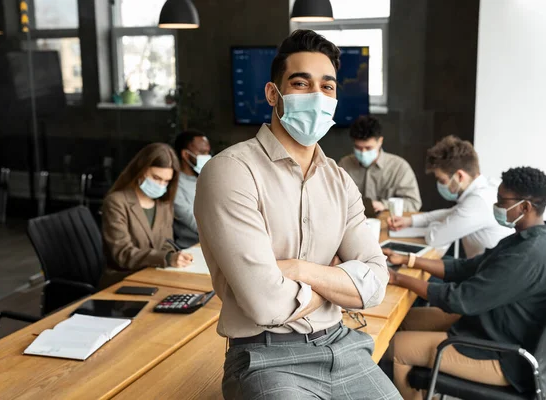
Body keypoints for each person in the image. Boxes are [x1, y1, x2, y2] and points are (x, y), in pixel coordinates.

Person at [195, 30, 401, 400]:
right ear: (274, 94)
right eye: (301, 83)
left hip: (343, 346)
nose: (317, 97)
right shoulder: (231, 171)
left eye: (327, 87)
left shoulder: (340, 180)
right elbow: (266, 304)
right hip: (266, 358)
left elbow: (376, 283)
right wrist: (339, 281)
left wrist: (300, 270)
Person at [383, 166, 546, 399]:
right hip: (489, 326)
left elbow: (459, 299)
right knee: (403, 320)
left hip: (502, 356)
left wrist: (397, 278)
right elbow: (468, 267)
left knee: (395, 347)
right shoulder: (529, 239)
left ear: (525, 207)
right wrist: (410, 260)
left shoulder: (527, 256)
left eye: (501, 200)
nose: (496, 206)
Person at [388, 135, 512, 259]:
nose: (440, 185)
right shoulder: (487, 186)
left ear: (460, 176)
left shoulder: (478, 202)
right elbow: (451, 213)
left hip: (483, 274)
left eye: (442, 180)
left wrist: (435, 226)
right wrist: (410, 221)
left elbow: (434, 238)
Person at [99, 143, 193, 289]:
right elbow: (123, 254)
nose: (161, 185)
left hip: (157, 276)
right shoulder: (116, 202)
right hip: (123, 281)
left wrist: (175, 257)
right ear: (141, 170)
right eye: (156, 178)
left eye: (167, 181)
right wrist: (166, 258)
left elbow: (167, 243)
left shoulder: (163, 203)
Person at [338, 115, 422, 214]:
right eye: (358, 148)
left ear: (380, 141)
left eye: (368, 148)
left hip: (387, 224)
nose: (363, 152)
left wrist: (384, 205)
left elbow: (414, 203)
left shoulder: (399, 167)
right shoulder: (344, 164)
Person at [173, 130, 212, 248]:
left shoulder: (208, 178)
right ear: (186, 154)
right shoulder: (174, 185)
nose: (207, 156)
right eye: (202, 152)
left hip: (216, 244)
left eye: (208, 152)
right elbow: (192, 220)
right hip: (191, 249)